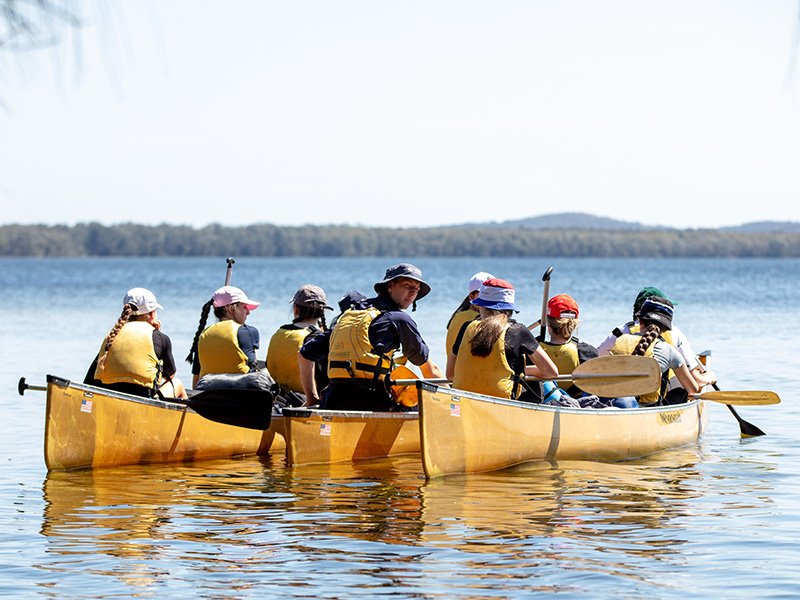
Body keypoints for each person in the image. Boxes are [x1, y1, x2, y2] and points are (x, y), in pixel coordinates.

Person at [298, 263, 443, 411]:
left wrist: (311, 398)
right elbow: (424, 363)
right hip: (371, 401)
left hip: (332, 401)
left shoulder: (349, 316)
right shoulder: (399, 319)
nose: (413, 293)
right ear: (390, 286)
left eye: (417, 289)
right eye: (408, 285)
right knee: (420, 408)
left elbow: (304, 355)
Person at [447, 278, 558, 400]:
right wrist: (522, 371)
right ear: (509, 309)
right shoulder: (519, 331)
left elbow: (450, 374)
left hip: (464, 403)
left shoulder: (466, 327)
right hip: (501, 406)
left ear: (480, 306)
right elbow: (551, 372)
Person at [597, 286, 717, 391]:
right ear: (666, 326)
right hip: (657, 397)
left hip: (618, 394)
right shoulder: (674, 335)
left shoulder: (619, 334)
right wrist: (709, 378)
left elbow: (598, 358)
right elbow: (696, 382)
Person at [85, 287, 187, 399]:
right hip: (143, 401)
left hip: (110, 398)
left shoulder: (112, 336)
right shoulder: (159, 337)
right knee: (177, 384)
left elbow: (90, 380)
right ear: (153, 314)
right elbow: (170, 376)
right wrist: (158, 335)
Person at [609, 296, 700, 405]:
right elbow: (693, 390)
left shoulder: (618, 342)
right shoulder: (669, 351)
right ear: (665, 329)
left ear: (640, 321)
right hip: (649, 410)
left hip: (615, 404)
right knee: (681, 388)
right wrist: (709, 379)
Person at [186, 285, 262, 388]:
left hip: (207, 395)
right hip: (240, 396)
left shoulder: (203, 335)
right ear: (230, 308)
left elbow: (196, 381)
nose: (248, 312)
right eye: (244, 307)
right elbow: (254, 372)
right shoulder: (248, 332)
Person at [266, 284, 332, 399]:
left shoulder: (279, 332)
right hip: (305, 403)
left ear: (296, 308)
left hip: (276, 399)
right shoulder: (318, 338)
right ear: (323, 312)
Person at [539, 293, 598, 397]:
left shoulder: (534, 350)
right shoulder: (587, 352)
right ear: (575, 324)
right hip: (575, 403)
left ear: (548, 323)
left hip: (543, 403)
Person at [445, 271, 493, 359]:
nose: (488, 298)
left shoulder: (459, 315)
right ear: (471, 296)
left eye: (492, 294)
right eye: (484, 294)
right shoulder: (473, 319)